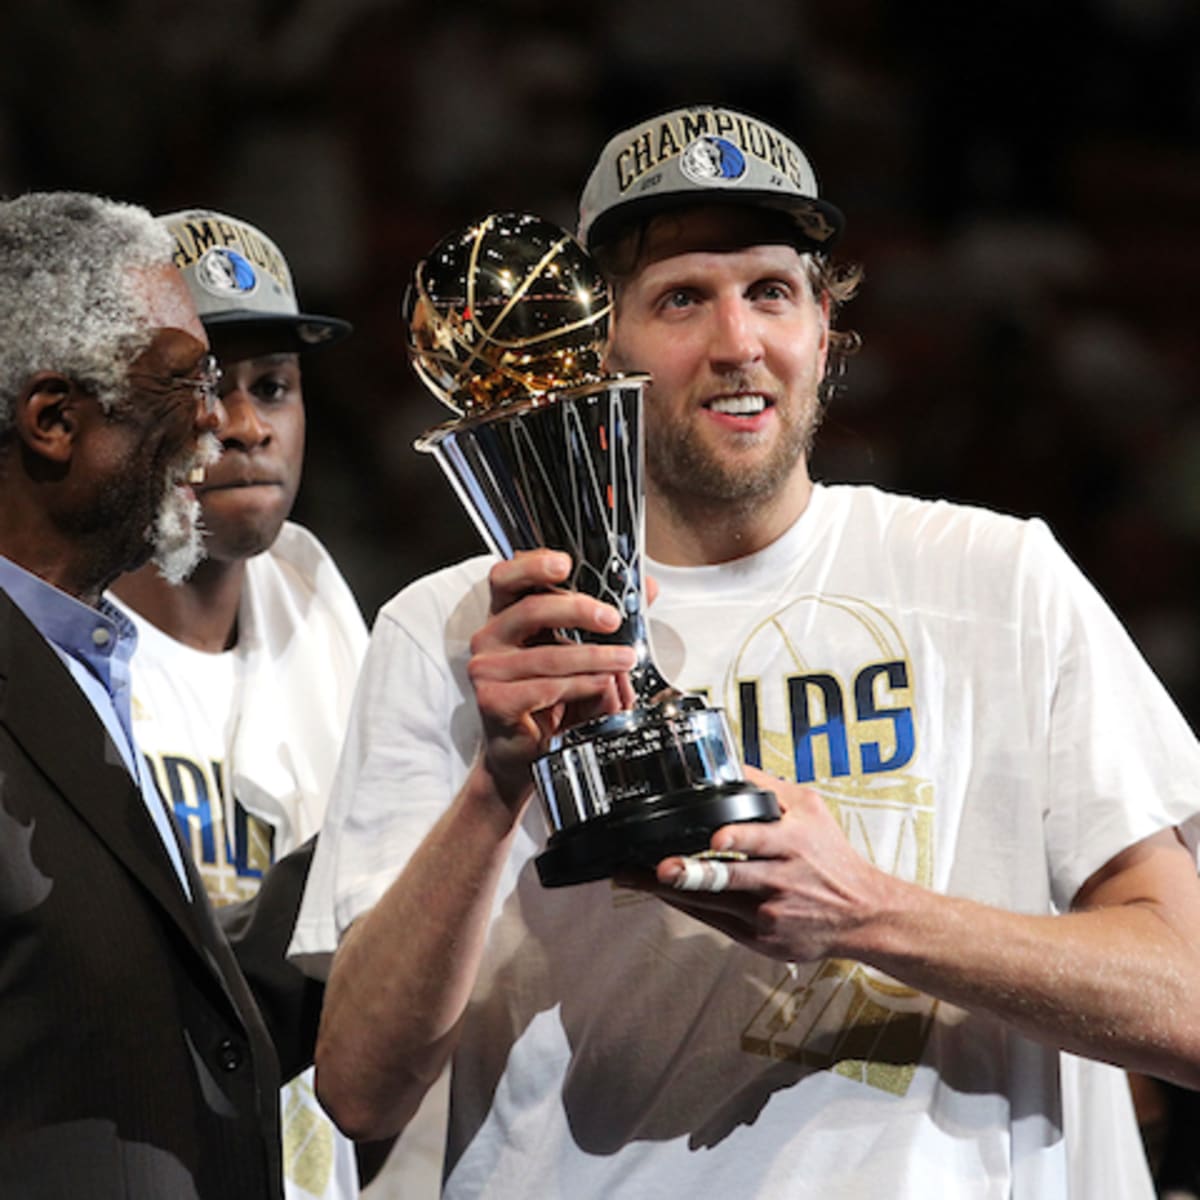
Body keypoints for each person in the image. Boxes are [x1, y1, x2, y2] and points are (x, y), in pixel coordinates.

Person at [293, 105, 1200, 1198]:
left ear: (825, 325)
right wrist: (498, 784)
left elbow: (1186, 1001)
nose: (737, 344)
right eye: (682, 298)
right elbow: (356, 1088)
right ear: (598, 346)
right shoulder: (458, 628)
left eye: (771, 291)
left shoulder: (999, 580)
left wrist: (866, 913)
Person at [0, 191, 321, 1198]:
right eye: (185, 384)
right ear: (54, 420)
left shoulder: (91, 663)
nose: (220, 424)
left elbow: (168, 1025)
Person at [107, 209, 367, 1200]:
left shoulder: (328, 613)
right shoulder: (45, 653)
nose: (249, 427)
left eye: (274, 388)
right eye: (211, 385)